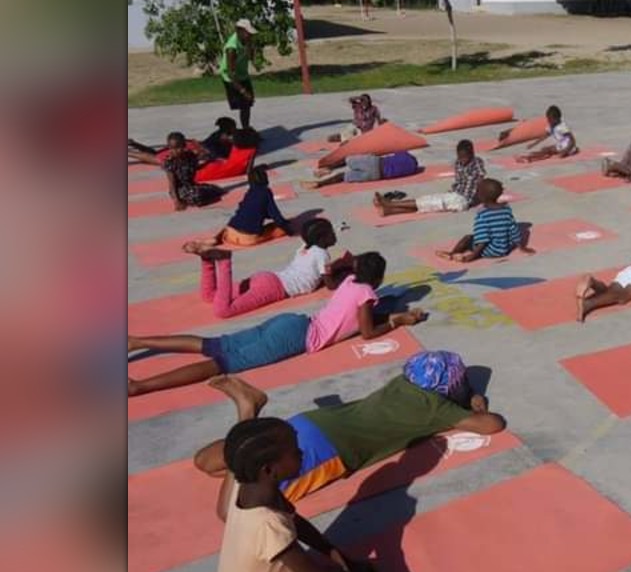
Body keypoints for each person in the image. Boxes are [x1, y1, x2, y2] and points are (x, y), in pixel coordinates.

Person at [206, 381, 394, 572]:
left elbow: (295, 521)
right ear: (269, 469)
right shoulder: (267, 525)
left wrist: (333, 552)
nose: (301, 453)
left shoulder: (249, 488)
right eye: (295, 452)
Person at [192, 351, 507, 503]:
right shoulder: (438, 408)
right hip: (329, 451)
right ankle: (247, 410)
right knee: (239, 505)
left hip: (309, 422)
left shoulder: (402, 382)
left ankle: (248, 414)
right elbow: (492, 425)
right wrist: (476, 402)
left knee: (207, 463)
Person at [127, 253, 426, 398]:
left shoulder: (349, 281)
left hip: (293, 321)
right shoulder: (367, 294)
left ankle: (137, 341)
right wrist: (397, 320)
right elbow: (367, 333)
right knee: (222, 363)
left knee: (215, 343)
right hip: (298, 337)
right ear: (379, 279)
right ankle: (140, 386)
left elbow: (350, 308)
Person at [181, 218, 353, 320]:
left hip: (267, 278)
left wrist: (340, 265)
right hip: (274, 288)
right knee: (223, 311)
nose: (334, 236)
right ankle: (224, 261)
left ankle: (207, 259)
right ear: (322, 238)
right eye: (332, 233)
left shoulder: (305, 247)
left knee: (210, 296)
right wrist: (348, 275)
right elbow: (330, 285)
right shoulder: (322, 254)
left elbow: (316, 271)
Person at [181, 166, 295, 251]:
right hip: (247, 238)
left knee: (237, 221)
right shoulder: (266, 192)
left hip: (230, 232)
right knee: (276, 230)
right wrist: (288, 229)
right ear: (266, 179)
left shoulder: (249, 193)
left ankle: (216, 238)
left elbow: (245, 208)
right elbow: (275, 215)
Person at [372, 140, 484, 217]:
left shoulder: (476, 162)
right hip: (455, 194)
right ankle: (389, 210)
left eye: (465, 157)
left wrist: (479, 198)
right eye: (460, 157)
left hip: (462, 200)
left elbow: (480, 178)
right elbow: (459, 181)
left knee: (426, 203)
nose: (462, 160)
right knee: (426, 204)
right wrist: (453, 190)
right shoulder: (458, 163)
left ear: (471, 154)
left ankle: (390, 204)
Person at [434, 179, 533, 262]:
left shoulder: (483, 214)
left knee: (467, 238)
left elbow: (482, 239)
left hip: (490, 251)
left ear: (481, 196)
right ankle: (459, 254)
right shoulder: (506, 210)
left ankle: (452, 253)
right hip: (505, 249)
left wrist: (472, 256)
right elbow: (514, 230)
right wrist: (522, 247)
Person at [160, 131, 222, 211]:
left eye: (177, 148)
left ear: (184, 146)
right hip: (179, 190)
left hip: (191, 186)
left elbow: (195, 167)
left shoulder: (190, 156)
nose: (174, 151)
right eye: (171, 148)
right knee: (197, 195)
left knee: (215, 190)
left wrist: (207, 162)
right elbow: (172, 184)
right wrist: (177, 201)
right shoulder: (170, 162)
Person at [301, 151, 420, 191]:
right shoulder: (412, 170)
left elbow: (394, 152)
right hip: (377, 176)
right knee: (343, 176)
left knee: (347, 160)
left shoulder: (405, 155)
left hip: (375, 162)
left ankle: (328, 168)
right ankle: (319, 184)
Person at [220, 18, 258, 130]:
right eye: (248, 33)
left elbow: (251, 57)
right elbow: (231, 74)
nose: (250, 35)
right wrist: (243, 91)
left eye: (251, 33)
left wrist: (250, 46)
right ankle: (239, 130)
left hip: (243, 74)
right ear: (239, 31)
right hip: (231, 77)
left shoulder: (246, 40)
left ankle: (246, 128)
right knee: (244, 102)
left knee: (248, 103)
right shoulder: (231, 48)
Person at [513, 105, 578, 163]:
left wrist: (565, 151)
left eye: (550, 119)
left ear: (556, 119)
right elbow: (545, 136)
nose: (548, 121)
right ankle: (529, 156)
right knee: (546, 149)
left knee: (546, 150)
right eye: (548, 119)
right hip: (561, 145)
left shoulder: (562, 127)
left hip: (568, 147)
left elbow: (572, 140)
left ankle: (529, 159)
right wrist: (533, 144)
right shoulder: (553, 125)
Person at [194, 128, 259, 183]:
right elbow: (248, 170)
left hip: (206, 172)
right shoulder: (251, 150)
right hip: (230, 171)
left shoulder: (237, 147)